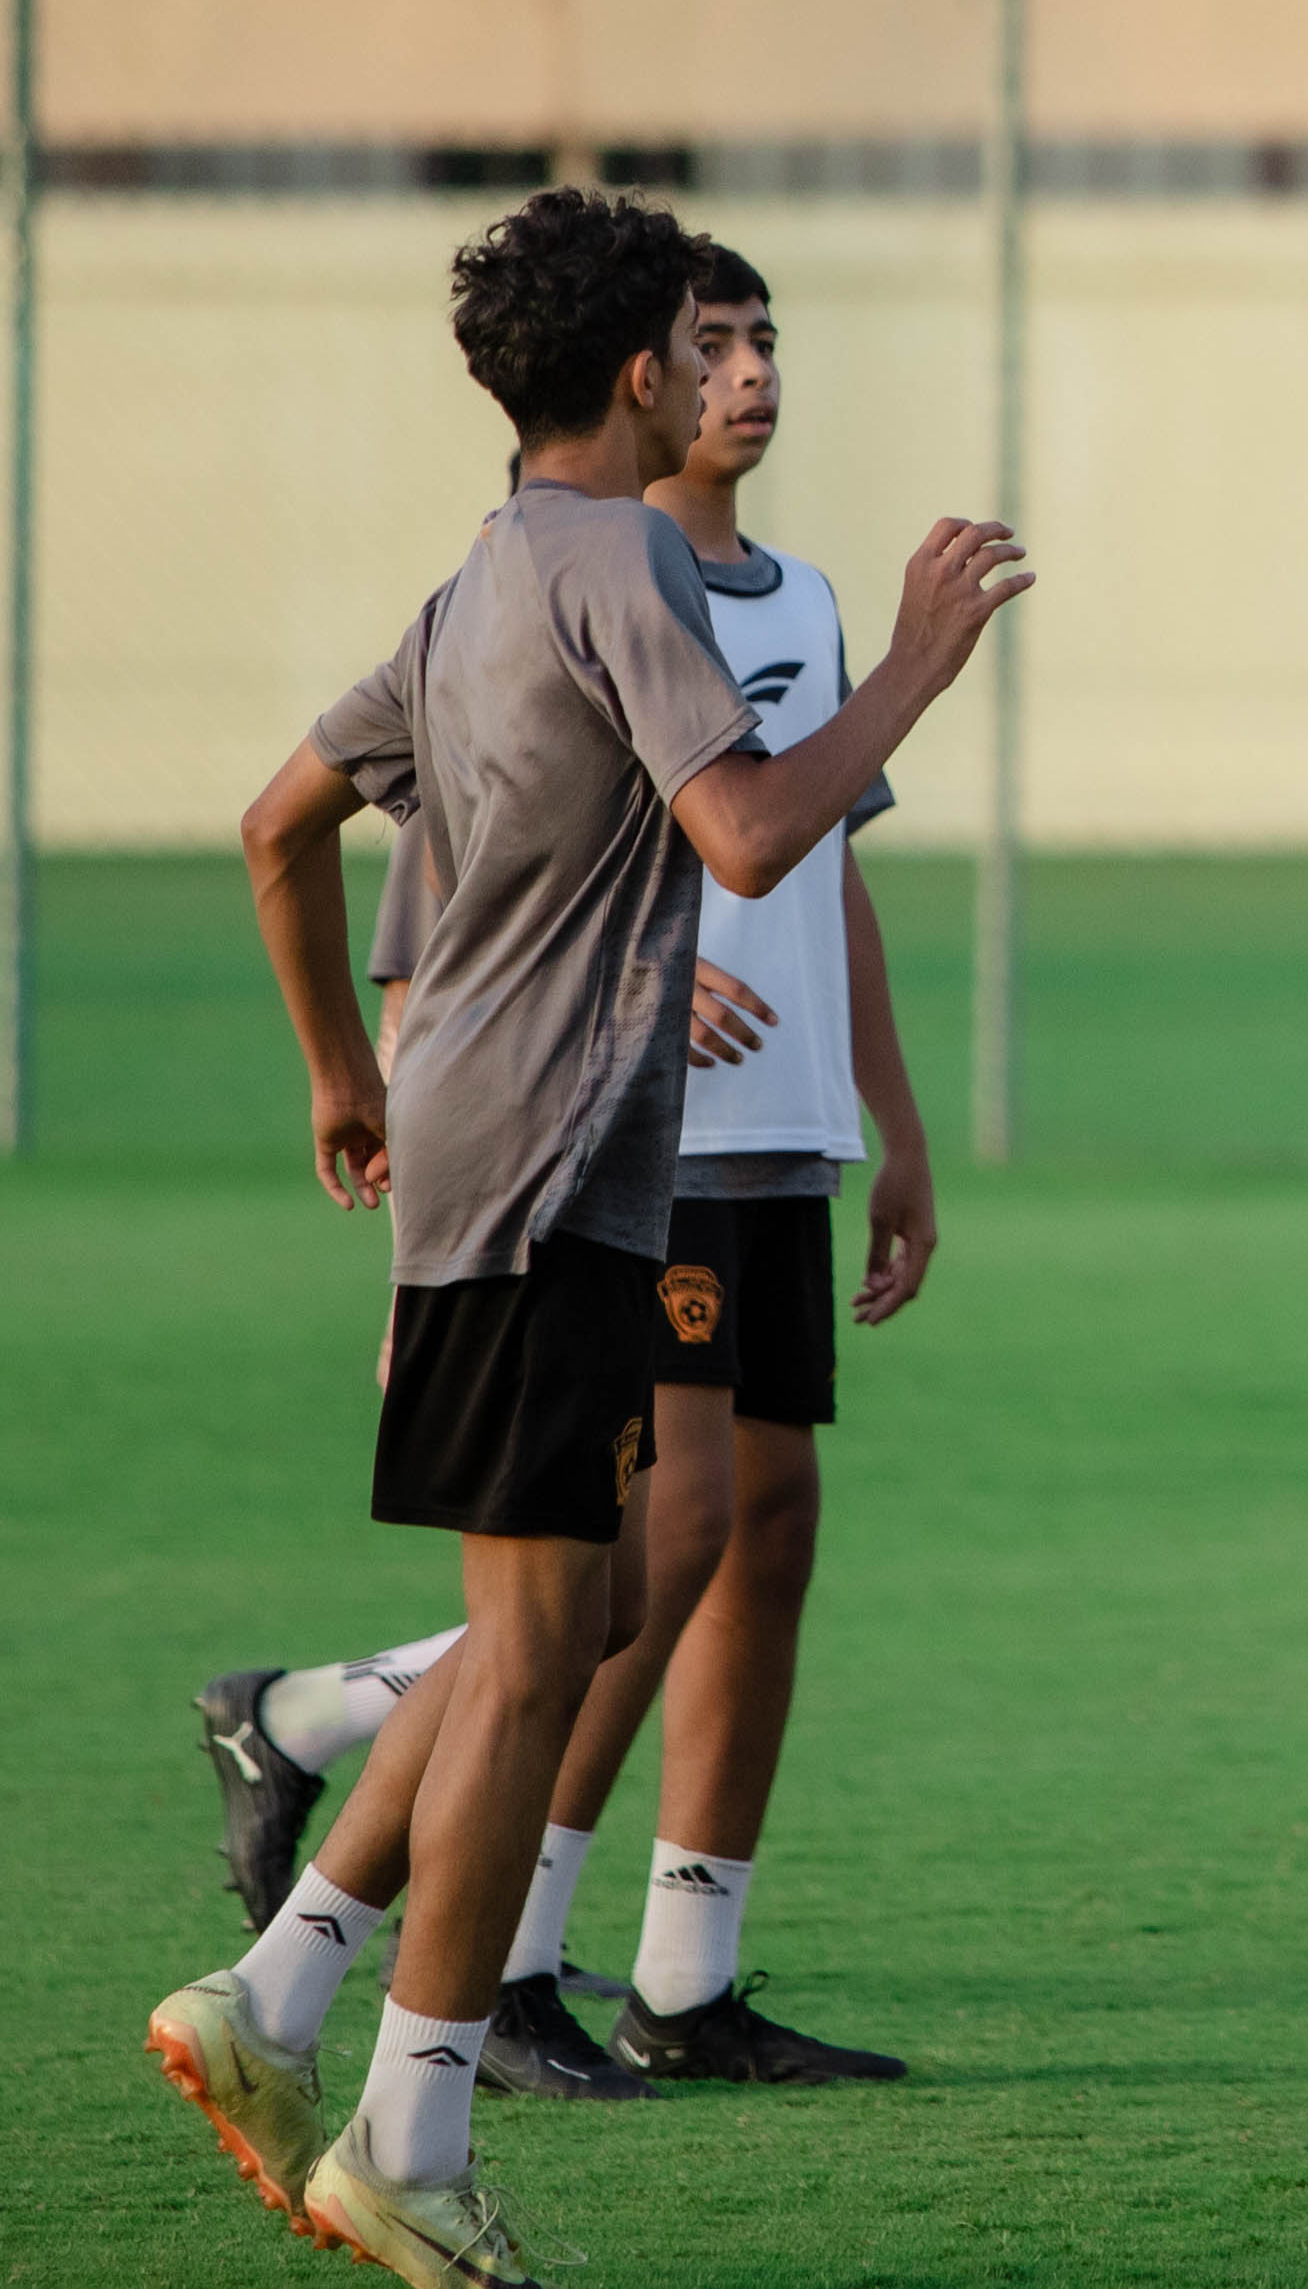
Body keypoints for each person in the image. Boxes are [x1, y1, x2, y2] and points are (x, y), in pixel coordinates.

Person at [149, 189, 1022, 2286]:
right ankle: (405, 2130)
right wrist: (918, 656)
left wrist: (338, 1073)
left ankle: (281, 1992)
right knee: (550, 1647)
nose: (719, 373)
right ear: (639, 373)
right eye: (691, 343)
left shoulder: (480, 577)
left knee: (582, 1599)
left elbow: (276, 822)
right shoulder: (624, 554)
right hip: (554, 1179)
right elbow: (744, 827)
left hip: (490, 1165)